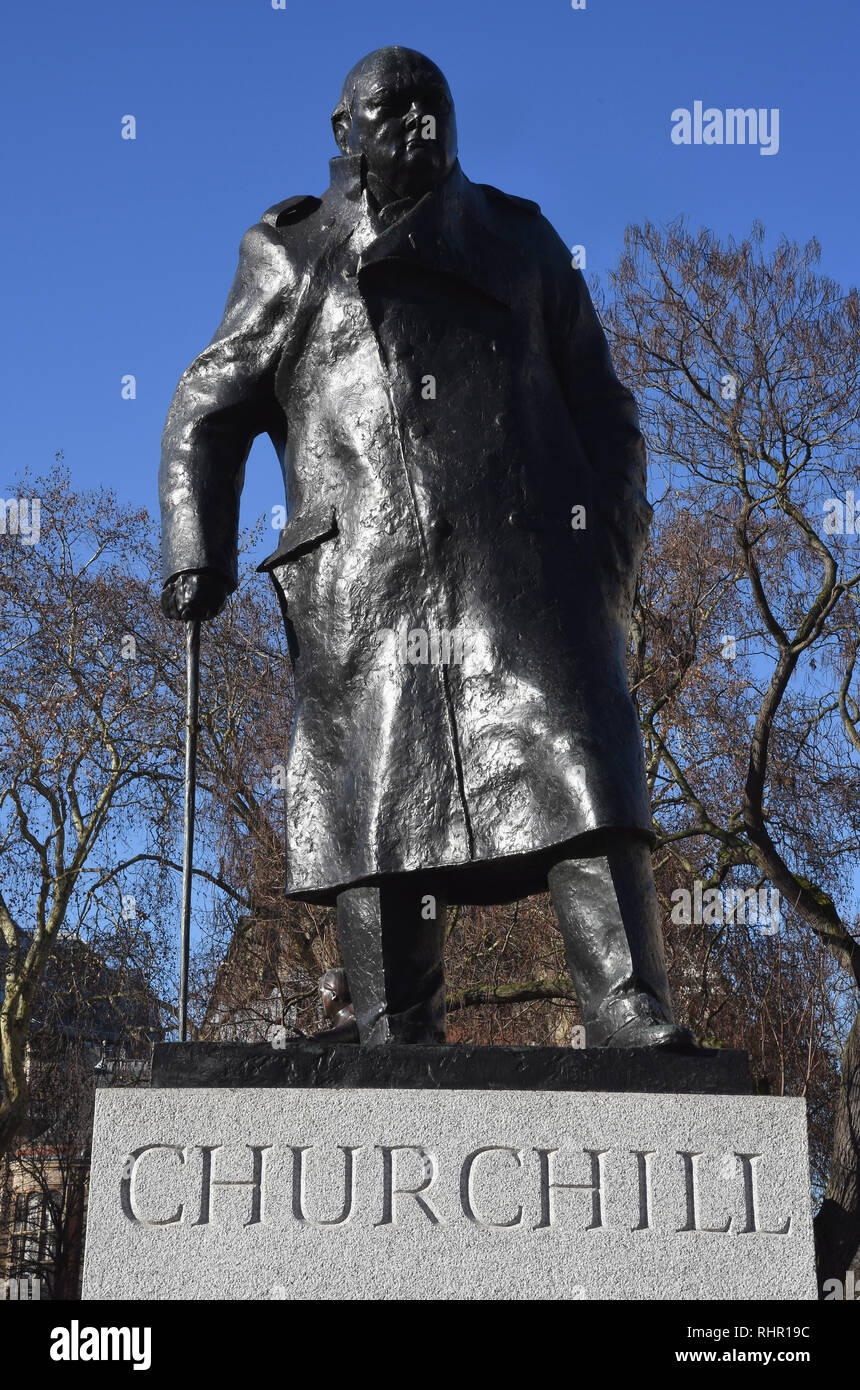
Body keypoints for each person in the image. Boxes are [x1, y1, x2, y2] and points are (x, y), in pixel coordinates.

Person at [160, 46, 699, 1052]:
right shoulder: (290, 253)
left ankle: (628, 1003)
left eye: (432, 108)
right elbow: (207, 403)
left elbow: (604, 404)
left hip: (525, 571)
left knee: (579, 753)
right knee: (378, 801)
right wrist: (198, 547)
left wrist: (607, 539)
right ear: (342, 133)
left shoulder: (519, 239)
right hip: (366, 578)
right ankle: (392, 1026)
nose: (418, 125)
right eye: (392, 110)